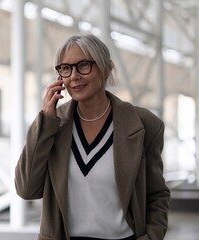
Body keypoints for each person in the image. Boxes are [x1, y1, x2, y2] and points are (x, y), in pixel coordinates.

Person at [15, 33, 170, 240]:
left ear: (106, 69)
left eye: (84, 65)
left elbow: (157, 194)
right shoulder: (53, 124)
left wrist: (152, 237)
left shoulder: (144, 124)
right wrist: (45, 122)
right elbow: (26, 190)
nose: (74, 76)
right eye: (65, 68)